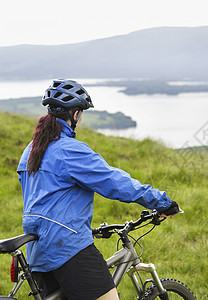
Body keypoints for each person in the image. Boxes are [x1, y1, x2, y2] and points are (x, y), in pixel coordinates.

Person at [17, 79, 180, 300]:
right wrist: (162, 202)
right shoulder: (69, 150)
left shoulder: (31, 150)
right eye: (81, 114)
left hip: (38, 252)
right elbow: (114, 182)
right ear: (75, 115)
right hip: (68, 250)